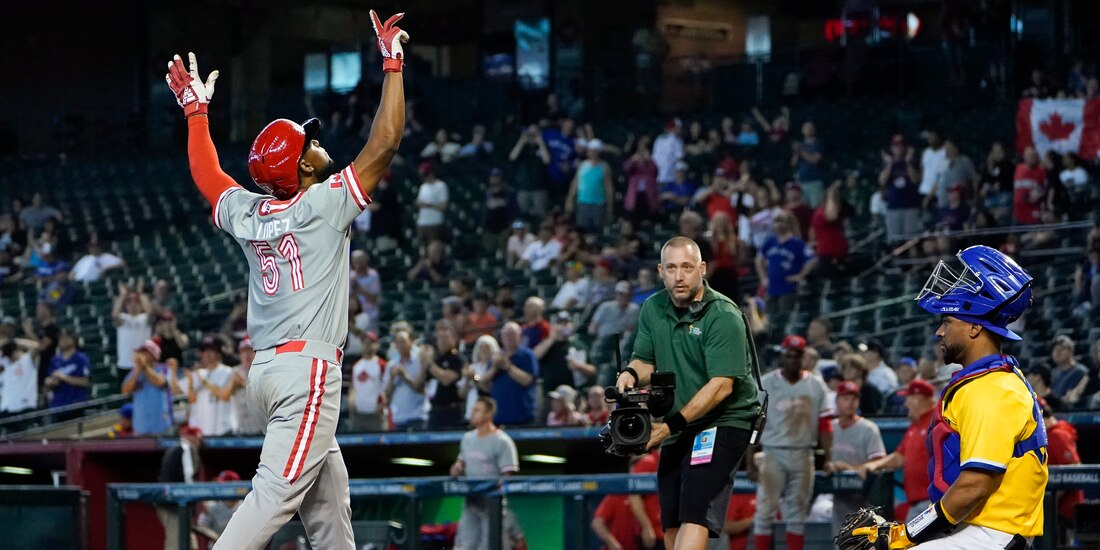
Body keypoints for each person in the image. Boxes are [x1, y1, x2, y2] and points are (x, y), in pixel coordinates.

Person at [164, 13, 407, 548]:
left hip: (268, 373)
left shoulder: (250, 212)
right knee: (274, 494)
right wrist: (392, 65)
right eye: (308, 145)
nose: (316, 143)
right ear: (302, 170)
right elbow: (386, 142)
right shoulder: (324, 204)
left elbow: (208, 175)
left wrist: (196, 115)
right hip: (306, 372)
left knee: (329, 508)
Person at [844, 245, 1047, 548]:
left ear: (975, 327)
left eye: (948, 321)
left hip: (992, 535)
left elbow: (975, 484)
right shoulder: (986, 381)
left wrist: (905, 535)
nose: (939, 331)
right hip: (973, 529)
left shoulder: (992, 390)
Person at [614, 236, 761, 550]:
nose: (679, 276)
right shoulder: (653, 307)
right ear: (661, 271)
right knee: (671, 520)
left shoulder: (723, 314)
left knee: (695, 513)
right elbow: (645, 360)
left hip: (724, 421)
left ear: (702, 269)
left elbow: (722, 386)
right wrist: (629, 373)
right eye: (671, 268)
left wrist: (668, 427)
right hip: (680, 423)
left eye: (687, 267)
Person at [749, 335, 831, 550]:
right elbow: (755, 424)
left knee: (797, 513)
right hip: (772, 452)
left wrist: (829, 458)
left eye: (797, 355)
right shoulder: (767, 383)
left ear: (803, 357)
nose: (793, 359)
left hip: (804, 453)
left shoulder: (816, 384)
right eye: (789, 355)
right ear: (782, 355)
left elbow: (825, 424)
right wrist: (750, 460)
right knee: (765, 511)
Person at [450, 396, 527, 550]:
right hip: (471, 503)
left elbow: (508, 475)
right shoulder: (467, 438)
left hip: (492, 505)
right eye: (472, 410)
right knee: (463, 546)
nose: (472, 414)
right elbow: (459, 464)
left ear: (488, 413)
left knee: (491, 546)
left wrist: (492, 490)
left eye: (477, 410)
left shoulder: (502, 441)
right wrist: (456, 468)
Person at [858, 378, 936, 521]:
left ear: (918, 398)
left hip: (933, 501)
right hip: (917, 503)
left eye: (908, 399)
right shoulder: (915, 426)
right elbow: (900, 457)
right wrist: (875, 465)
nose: (905, 404)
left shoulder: (936, 421)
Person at [827, 381, 886, 535]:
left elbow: (879, 462)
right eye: (845, 398)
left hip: (865, 498)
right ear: (837, 401)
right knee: (839, 539)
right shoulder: (830, 428)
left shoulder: (868, 428)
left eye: (854, 399)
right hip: (838, 496)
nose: (850, 403)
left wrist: (849, 469)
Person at [157, 425, 203, 550]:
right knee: (176, 543)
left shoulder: (173, 449)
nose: (199, 442)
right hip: (175, 505)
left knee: (190, 543)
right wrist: (193, 498)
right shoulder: (186, 448)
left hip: (169, 503)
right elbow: (189, 476)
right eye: (197, 438)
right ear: (188, 436)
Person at [488, 322, 539, 426]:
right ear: (501, 337)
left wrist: (508, 367)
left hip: (522, 415)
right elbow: (485, 383)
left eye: (512, 334)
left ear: (520, 336)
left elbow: (527, 380)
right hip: (498, 415)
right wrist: (495, 368)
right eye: (506, 334)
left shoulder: (527, 355)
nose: (509, 337)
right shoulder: (496, 356)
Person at [121, 338, 174, 436]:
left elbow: (160, 383)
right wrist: (137, 370)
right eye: (140, 352)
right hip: (141, 427)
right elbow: (125, 390)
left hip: (161, 427)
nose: (141, 354)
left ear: (153, 354)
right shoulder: (135, 371)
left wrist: (145, 367)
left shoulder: (164, 368)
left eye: (144, 351)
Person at [425, 320, 466, 429]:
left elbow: (446, 380)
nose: (442, 341)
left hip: (452, 409)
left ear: (454, 339)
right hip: (435, 409)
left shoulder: (457, 358)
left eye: (446, 338)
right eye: (440, 338)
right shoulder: (436, 358)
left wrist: (428, 363)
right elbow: (424, 381)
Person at [385, 328, 429, 431]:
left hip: (418, 415)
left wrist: (404, 375)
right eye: (398, 342)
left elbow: (421, 389)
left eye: (404, 341)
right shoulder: (391, 365)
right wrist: (391, 379)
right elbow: (387, 394)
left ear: (411, 342)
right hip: (399, 417)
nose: (401, 345)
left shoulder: (419, 362)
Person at [45, 330, 91, 414]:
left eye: (66, 337)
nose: (62, 340)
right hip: (58, 406)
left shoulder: (80, 358)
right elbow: (50, 380)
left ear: (74, 340)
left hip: (76, 404)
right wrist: (49, 382)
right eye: (61, 338)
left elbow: (85, 382)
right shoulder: (55, 360)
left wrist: (63, 377)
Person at [112, 282, 153, 374]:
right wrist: (122, 295)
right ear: (126, 305)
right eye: (129, 303)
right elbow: (115, 315)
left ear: (141, 305)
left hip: (144, 365)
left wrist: (140, 293)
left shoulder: (144, 318)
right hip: (125, 364)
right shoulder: (123, 318)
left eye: (136, 303)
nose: (133, 305)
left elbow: (150, 312)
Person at [231, 336, 264, 435]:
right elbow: (224, 396)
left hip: (259, 427)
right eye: (244, 352)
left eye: (250, 351)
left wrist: (244, 383)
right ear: (239, 354)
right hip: (239, 427)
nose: (247, 355)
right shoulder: (234, 371)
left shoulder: (263, 371)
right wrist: (232, 383)